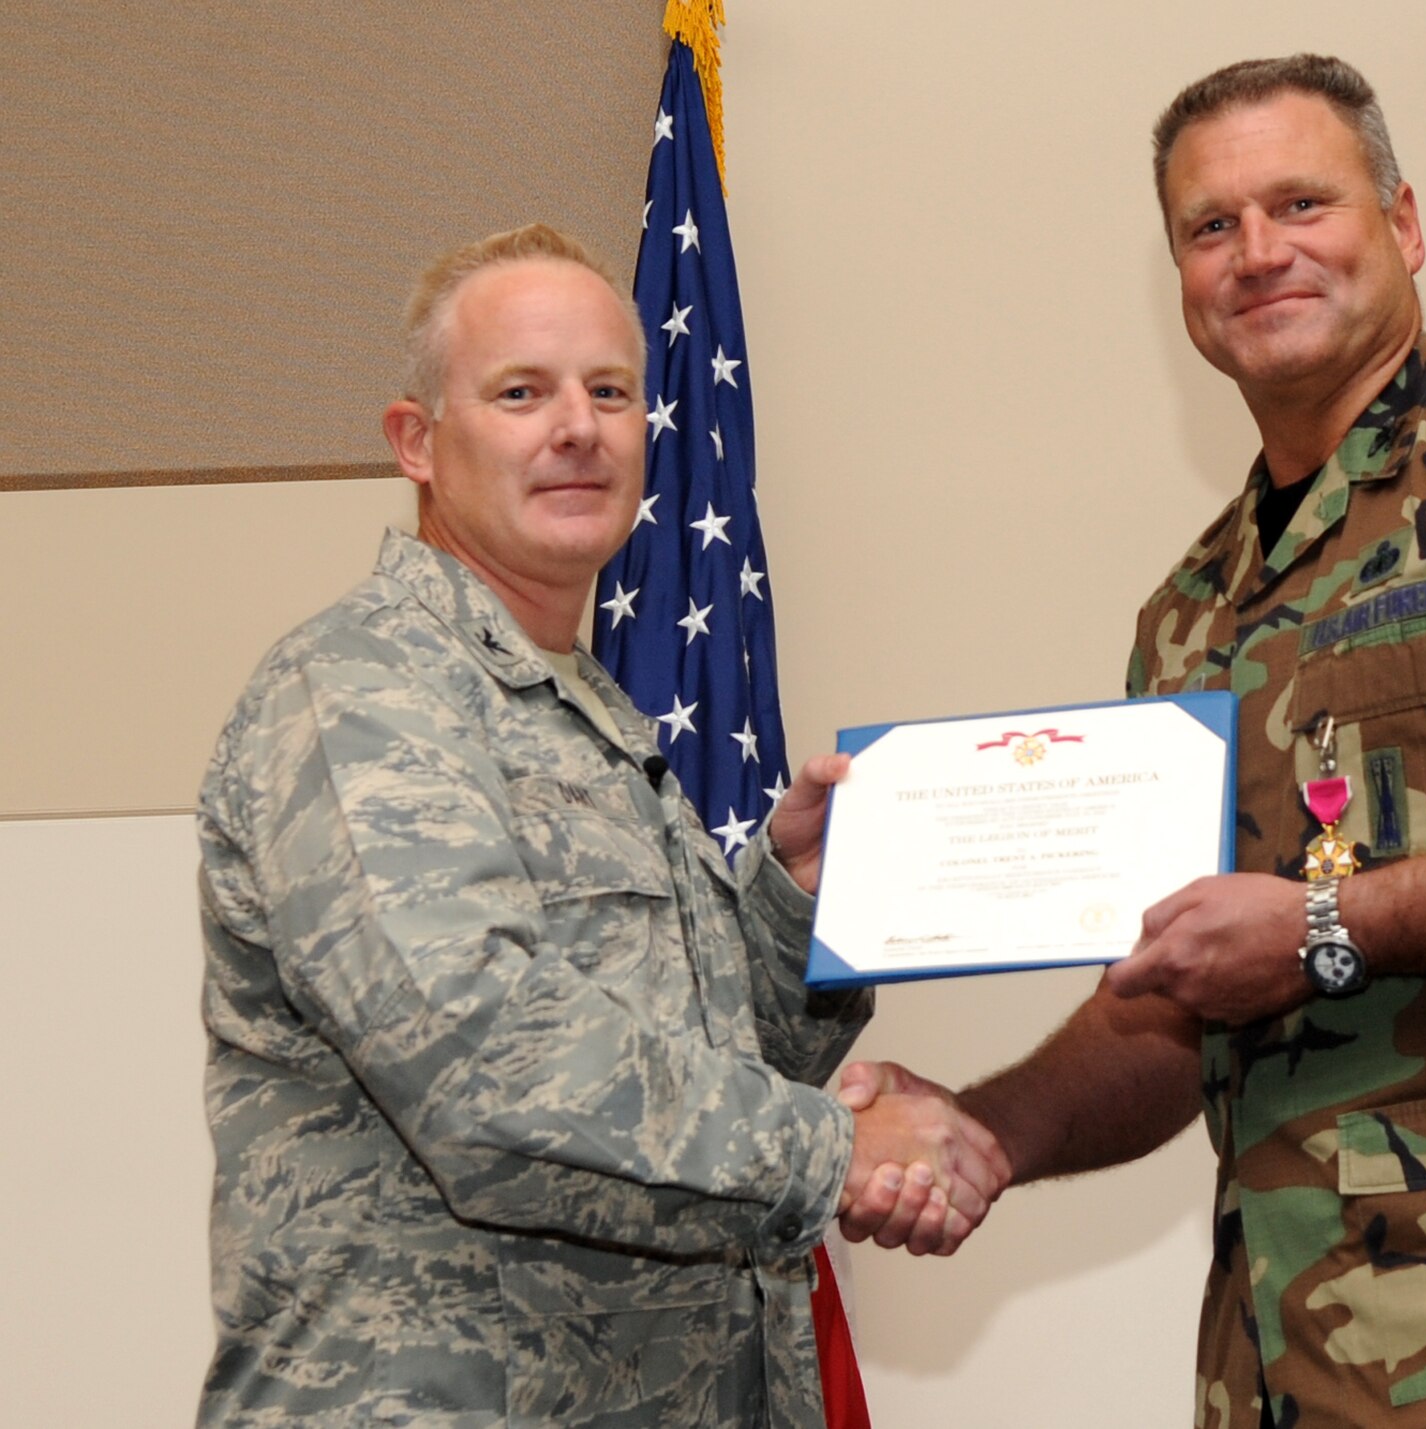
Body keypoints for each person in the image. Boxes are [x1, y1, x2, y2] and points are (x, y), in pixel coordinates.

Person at [842, 55, 1426, 1428]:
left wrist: (1328, 925)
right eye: (1211, 226)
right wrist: (985, 1132)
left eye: (1302, 202)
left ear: (1403, 226)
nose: (1259, 252)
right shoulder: (1188, 613)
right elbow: (1175, 1002)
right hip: (1285, 1364)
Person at [196, 224, 1003, 1428]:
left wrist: (792, 902)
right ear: (417, 442)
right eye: (521, 392)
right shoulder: (363, 693)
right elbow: (485, 1068)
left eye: (609, 392)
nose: (576, 426)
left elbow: (703, 1071)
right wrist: (839, 1147)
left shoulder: (589, 710)